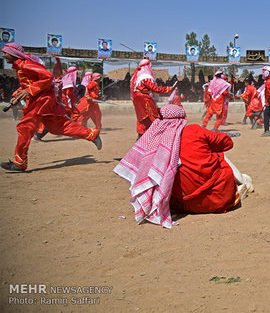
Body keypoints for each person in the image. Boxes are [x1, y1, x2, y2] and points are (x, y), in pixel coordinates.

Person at [113, 105, 253, 228]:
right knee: (218, 155)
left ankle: (240, 183)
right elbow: (227, 143)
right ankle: (241, 184)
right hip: (216, 199)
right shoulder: (193, 131)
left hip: (177, 205)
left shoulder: (154, 143)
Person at [1, 43, 101, 171]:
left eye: (5, 52)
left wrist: (29, 91)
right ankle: (91, 134)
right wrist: (17, 95)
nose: (3, 55)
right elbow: (29, 84)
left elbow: (48, 77)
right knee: (57, 127)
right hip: (41, 100)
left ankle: (20, 162)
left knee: (25, 128)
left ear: (13, 53)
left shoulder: (25, 64)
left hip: (40, 101)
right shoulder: (20, 66)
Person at [130, 59, 174, 139]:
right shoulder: (145, 77)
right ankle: (159, 135)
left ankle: (140, 136)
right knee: (153, 115)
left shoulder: (138, 75)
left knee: (142, 117)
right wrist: (167, 89)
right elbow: (154, 88)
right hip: (144, 98)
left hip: (138, 98)